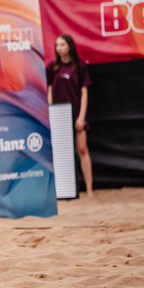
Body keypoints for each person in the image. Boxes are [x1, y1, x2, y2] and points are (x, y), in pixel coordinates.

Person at [47, 34, 94, 197]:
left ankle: (89, 189)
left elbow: (84, 92)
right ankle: (62, 190)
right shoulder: (52, 67)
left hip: (76, 113)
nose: (59, 48)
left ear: (70, 46)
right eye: (57, 45)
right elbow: (50, 90)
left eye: (62, 44)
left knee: (82, 148)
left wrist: (81, 117)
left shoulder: (79, 66)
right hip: (59, 115)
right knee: (61, 152)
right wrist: (51, 112)